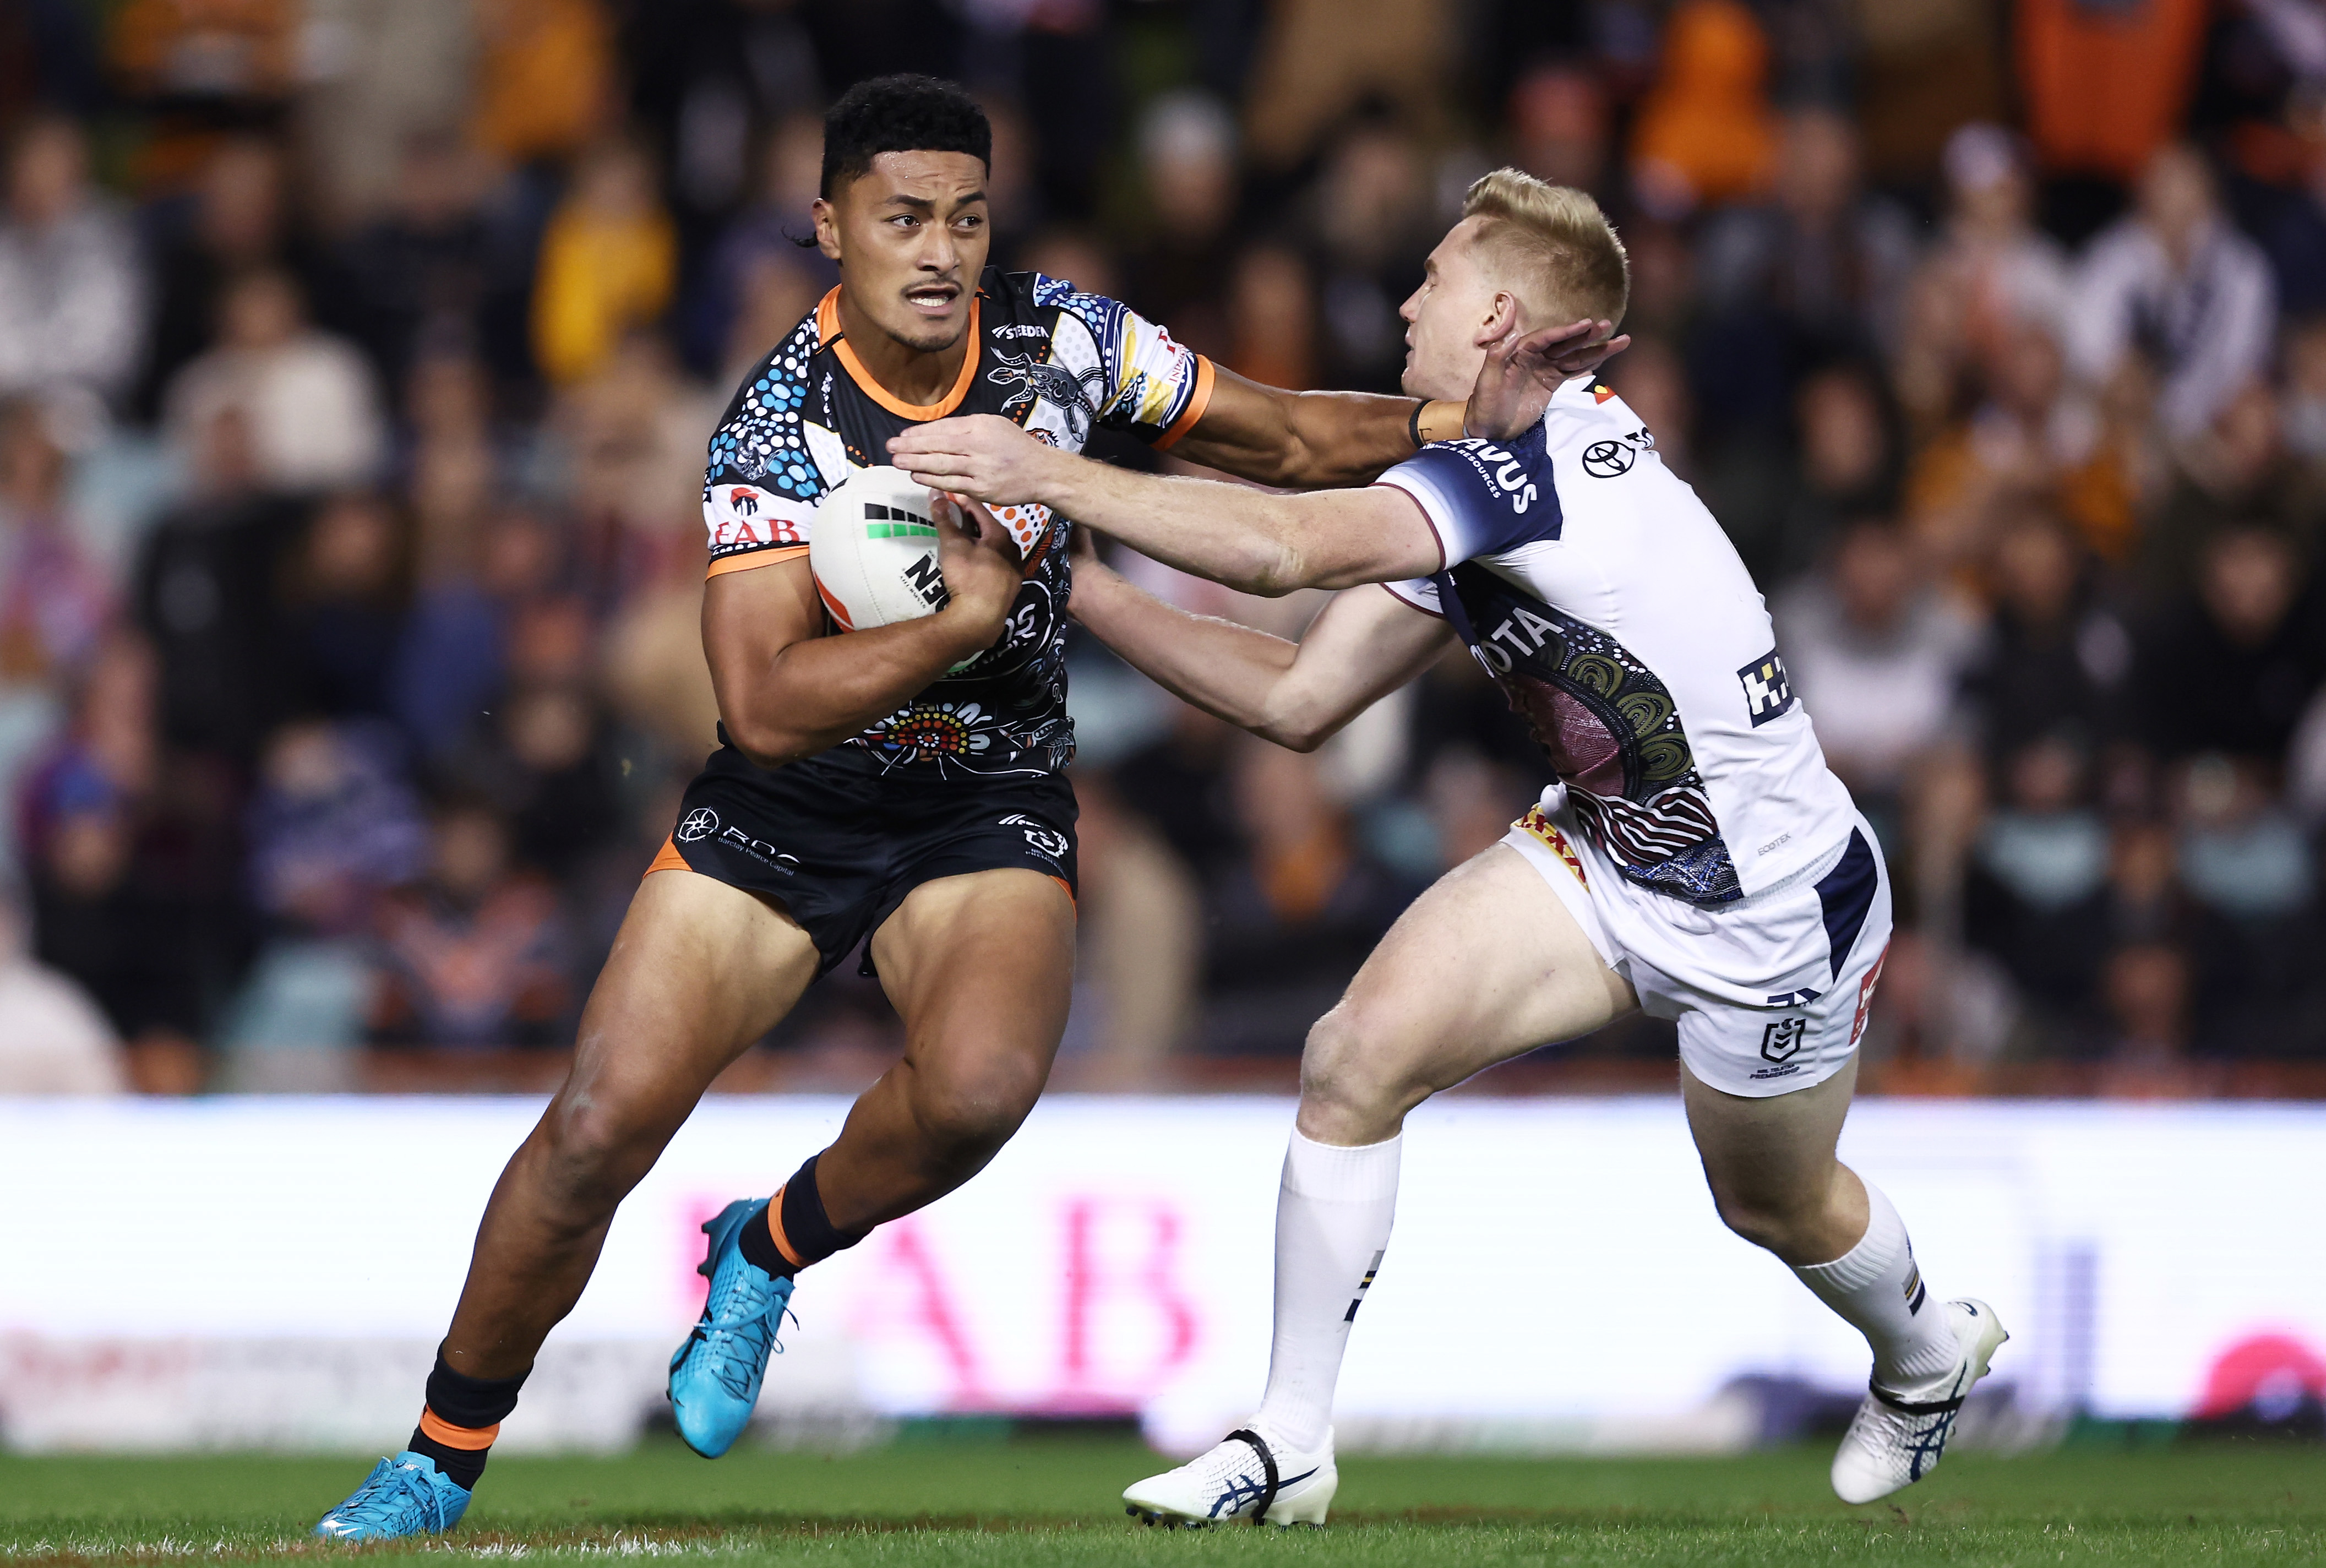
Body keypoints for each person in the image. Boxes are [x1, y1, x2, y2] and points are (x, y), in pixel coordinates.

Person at [311, 75, 1619, 1540]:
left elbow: (1289, 442)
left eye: (966, 218)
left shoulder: (1069, 342)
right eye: (902, 218)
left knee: (985, 1090)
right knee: (598, 1129)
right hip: (793, 801)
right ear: (829, 227)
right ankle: (440, 1453)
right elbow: (756, 703)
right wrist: (960, 621)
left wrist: (1480, 418)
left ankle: (767, 1245)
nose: (939, 250)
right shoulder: (774, 428)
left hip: (985, 795)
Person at [891, 167, 2006, 1525]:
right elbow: (1297, 699)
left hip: (1771, 908)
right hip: (1606, 855)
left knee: (1773, 1204)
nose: (1407, 298)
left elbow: (1284, 547)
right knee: (1353, 1056)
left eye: (1434, 276)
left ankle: (1927, 1351)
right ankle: (1290, 1440)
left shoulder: (1540, 474)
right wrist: (1059, 576)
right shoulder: (1470, 482)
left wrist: (1048, 475)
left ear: (1496, 317)